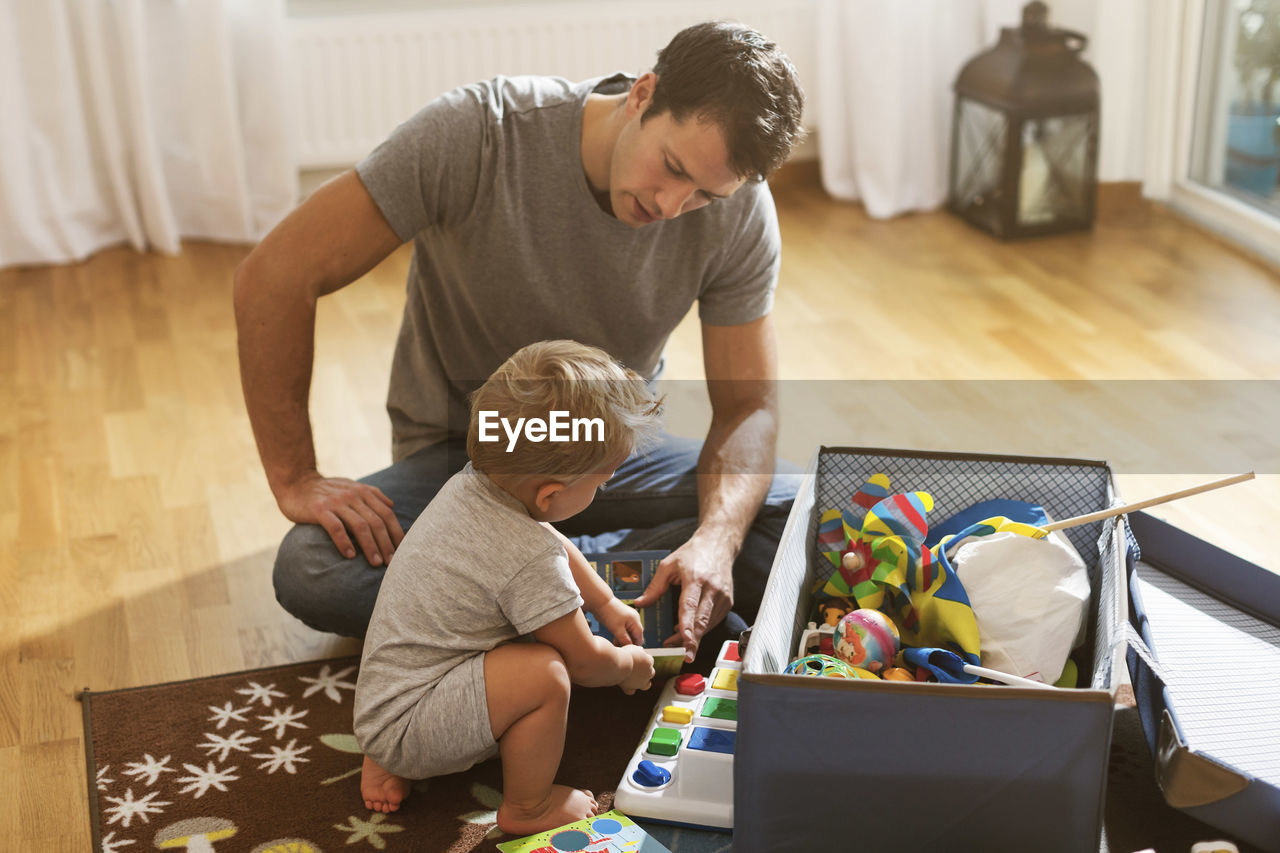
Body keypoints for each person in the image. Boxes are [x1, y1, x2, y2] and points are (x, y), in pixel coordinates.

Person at [233, 20, 806, 661]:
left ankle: (550, 603)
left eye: (704, 193)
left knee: (803, 509)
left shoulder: (740, 211)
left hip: (607, 456)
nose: (673, 205)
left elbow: (748, 406)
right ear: (644, 93)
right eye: (671, 167)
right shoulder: (480, 132)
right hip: (470, 462)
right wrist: (296, 477)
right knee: (313, 567)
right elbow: (274, 276)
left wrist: (715, 544)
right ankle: (598, 604)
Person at [353, 341, 659, 832]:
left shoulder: (473, 484)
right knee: (545, 673)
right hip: (412, 723)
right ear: (551, 494)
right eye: (600, 483)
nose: (602, 489)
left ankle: (390, 755)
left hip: (385, 704)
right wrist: (627, 666)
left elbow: (550, 537)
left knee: (510, 655)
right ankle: (528, 807)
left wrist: (604, 600)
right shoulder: (527, 558)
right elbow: (584, 662)